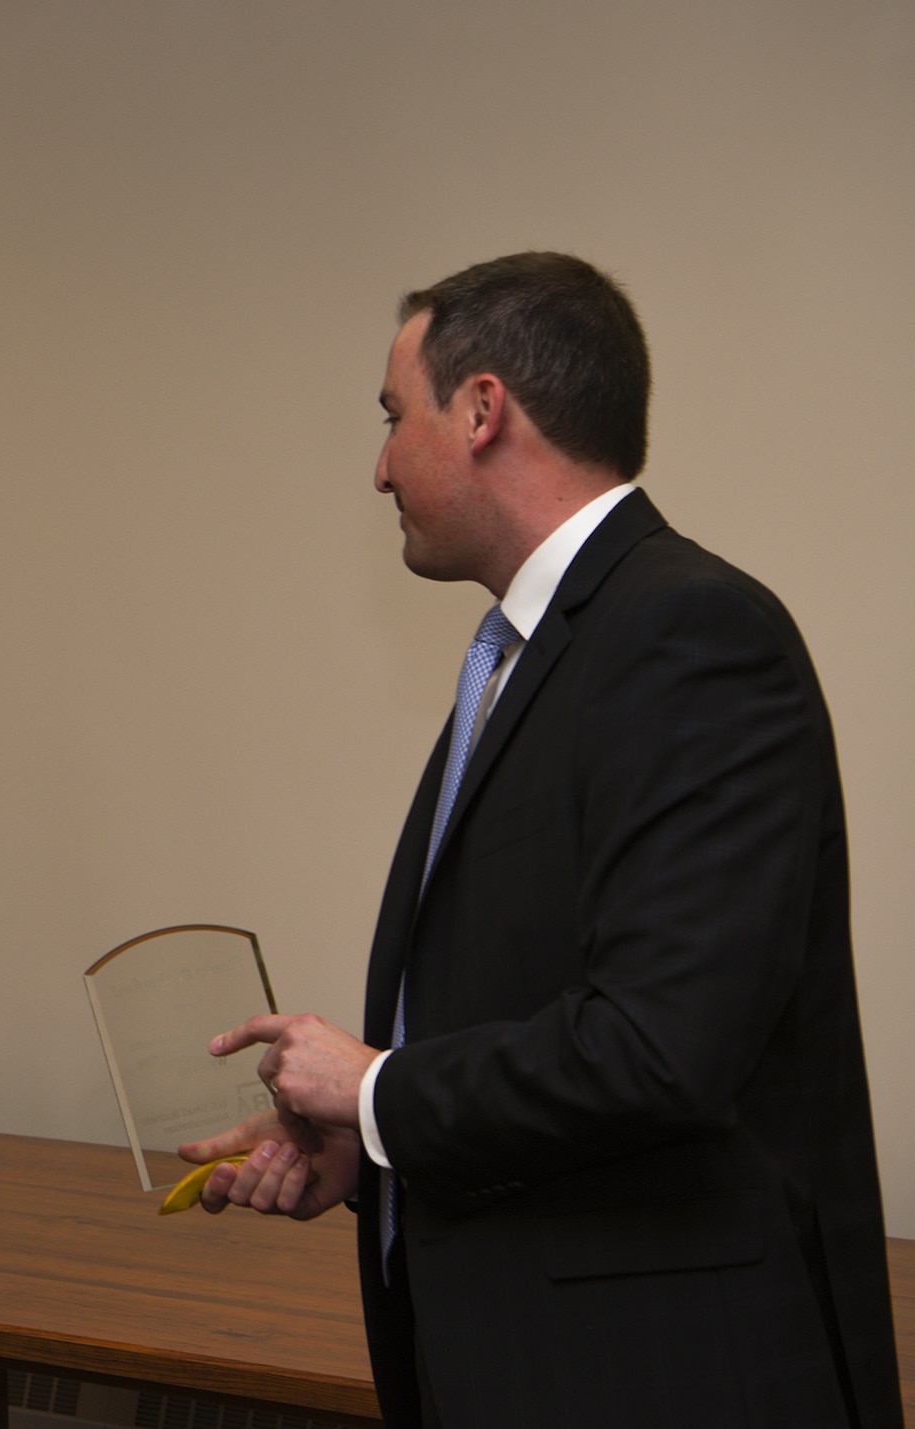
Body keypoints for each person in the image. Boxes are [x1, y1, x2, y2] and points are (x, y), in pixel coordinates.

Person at [178, 254, 900, 1428]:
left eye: (388, 417)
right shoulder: (530, 652)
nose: (375, 468)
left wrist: (377, 1089)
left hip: (660, 1379)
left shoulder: (688, 633)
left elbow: (661, 1046)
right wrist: (372, 1147)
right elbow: (542, 1010)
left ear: (478, 409)